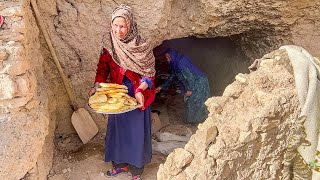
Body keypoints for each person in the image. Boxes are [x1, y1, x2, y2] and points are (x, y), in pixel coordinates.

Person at [88, 5, 155, 180]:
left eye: (122, 26)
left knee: (135, 133)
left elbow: (149, 74)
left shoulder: (141, 46)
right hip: (116, 96)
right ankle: (119, 165)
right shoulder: (109, 44)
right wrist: (97, 85)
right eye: (115, 25)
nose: (118, 30)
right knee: (118, 133)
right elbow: (102, 68)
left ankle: (136, 171)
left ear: (130, 25)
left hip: (136, 95)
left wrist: (140, 90)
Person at [156, 48, 210, 123]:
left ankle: (200, 122)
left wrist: (190, 90)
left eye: (169, 57)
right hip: (193, 82)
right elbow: (172, 77)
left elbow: (190, 77)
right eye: (166, 58)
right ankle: (193, 121)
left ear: (173, 55)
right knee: (191, 102)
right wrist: (161, 86)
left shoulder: (181, 63)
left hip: (199, 82)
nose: (168, 60)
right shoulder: (175, 64)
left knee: (196, 101)